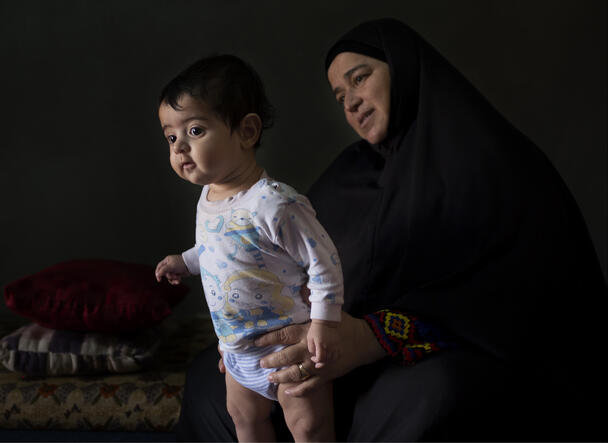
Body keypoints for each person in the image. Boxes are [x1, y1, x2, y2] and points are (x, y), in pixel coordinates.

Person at [174, 19, 608, 442]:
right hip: (334, 355)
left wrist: (370, 338)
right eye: (340, 95)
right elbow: (288, 265)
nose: (351, 103)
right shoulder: (351, 172)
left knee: (432, 397)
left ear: (405, 70)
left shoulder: (499, 165)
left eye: (360, 79)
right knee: (211, 386)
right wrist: (252, 337)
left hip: (445, 358)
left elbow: (521, 305)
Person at [154, 54, 344, 442]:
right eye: (171, 137)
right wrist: (184, 261)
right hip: (236, 350)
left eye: (194, 131)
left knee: (308, 425)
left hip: (289, 343)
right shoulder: (208, 197)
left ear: (246, 132)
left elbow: (324, 262)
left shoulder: (274, 203)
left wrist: (324, 323)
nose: (179, 148)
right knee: (244, 420)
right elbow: (214, 249)